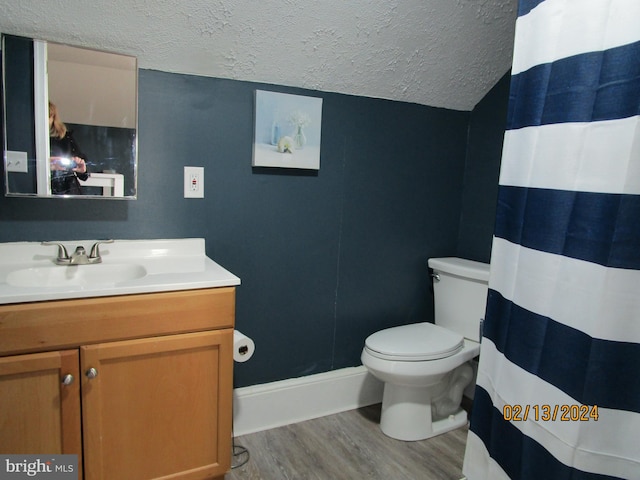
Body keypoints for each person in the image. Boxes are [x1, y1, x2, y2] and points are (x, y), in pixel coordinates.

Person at [49, 101, 89, 195]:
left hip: (67, 188)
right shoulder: (29, 140)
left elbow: (83, 174)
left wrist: (81, 169)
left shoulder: (65, 138)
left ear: (53, 118)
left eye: (48, 116)